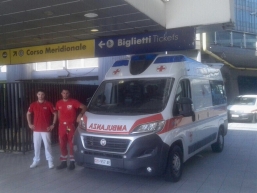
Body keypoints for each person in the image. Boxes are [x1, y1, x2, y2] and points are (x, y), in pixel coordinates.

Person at [56, 88, 87, 170]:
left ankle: (72, 162)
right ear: (61, 94)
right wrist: (60, 122)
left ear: (69, 94)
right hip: (62, 126)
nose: (65, 94)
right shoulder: (58, 103)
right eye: (63, 93)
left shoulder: (73, 102)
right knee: (62, 143)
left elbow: (84, 107)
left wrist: (80, 115)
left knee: (71, 143)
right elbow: (58, 112)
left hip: (69, 127)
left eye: (66, 93)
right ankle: (63, 162)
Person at [26, 89, 57, 169]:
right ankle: (36, 161)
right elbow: (28, 113)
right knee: (36, 146)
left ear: (44, 95)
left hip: (46, 129)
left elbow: (55, 114)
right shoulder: (33, 104)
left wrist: (53, 124)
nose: (40, 96)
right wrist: (29, 124)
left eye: (42, 94)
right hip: (36, 129)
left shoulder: (49, 104)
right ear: (37, 95)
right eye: (39, 94)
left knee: (47, 146)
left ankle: (50, 161)